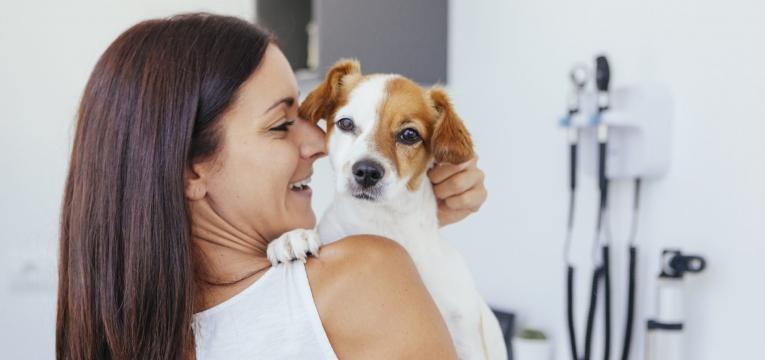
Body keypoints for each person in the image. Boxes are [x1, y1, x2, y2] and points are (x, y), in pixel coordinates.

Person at [56, 13, 487, 359]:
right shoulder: (364, 275)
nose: (320, 142)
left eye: (307, 117)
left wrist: (413, 217)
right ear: (192, 171)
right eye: (282, 125)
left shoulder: (120, 328)